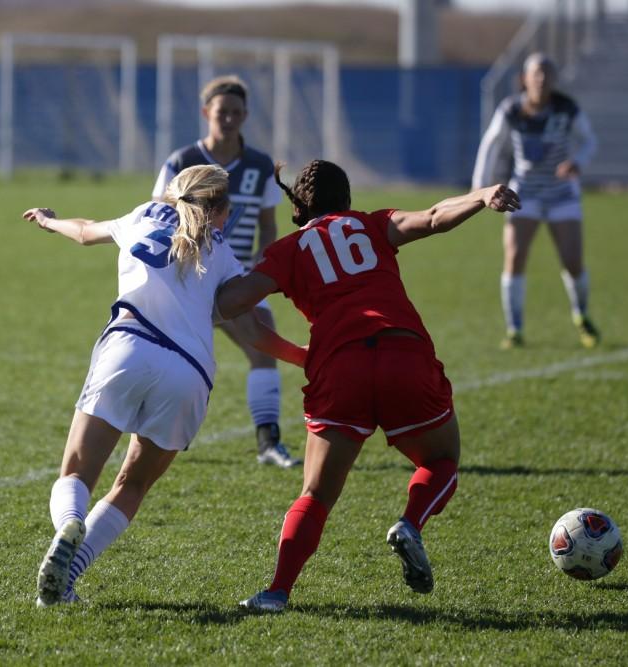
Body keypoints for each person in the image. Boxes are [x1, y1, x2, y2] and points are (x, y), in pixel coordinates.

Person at [215, 159, 520, 612]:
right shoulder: (370, 225)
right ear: (347, 200)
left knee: (316, 495)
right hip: (403, 351)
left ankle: (277, 592)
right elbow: (434, 218)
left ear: (298, 206)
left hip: (340, 367)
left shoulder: (287, 249)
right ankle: (411, 524)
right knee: (440, 459)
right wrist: (481, 195)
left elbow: (233, 302)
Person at [23, 164, 306, 608]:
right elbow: (251, 330)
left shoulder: (143, 215)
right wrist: (304, 356)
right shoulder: (223, 250)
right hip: (188, 373)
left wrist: (47, 220)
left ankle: (68, 525)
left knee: (76, 472)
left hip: (129, 348)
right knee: (132, 484)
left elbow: (82, 231)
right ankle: (69, 579)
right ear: (222, 210)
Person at [153, 74, 299, 469]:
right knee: (160, 359)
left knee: (262, 350)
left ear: (245, 115)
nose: (229, 119)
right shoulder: (181, 162)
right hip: (186, 280)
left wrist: (260, 269)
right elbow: (159, 217)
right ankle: (147, 435)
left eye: (236, 112)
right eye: (222, 112)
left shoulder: (259, 165)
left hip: (234, 280)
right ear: (206, 113)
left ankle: (268, 442)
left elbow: (268, 224)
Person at [472, 52, 600, 350]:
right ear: (524, 79)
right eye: (536, 74)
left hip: (561, 195)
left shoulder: (567, 109)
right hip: (524, 194)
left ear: (554, 80)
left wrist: (578, 162)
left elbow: (590, 140)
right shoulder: (511, 109)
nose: (541, 79)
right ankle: (514, 328)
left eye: (547, 74)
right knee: (514, 258)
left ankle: (581, 314)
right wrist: (479, 189)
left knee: (573, 263)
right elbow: (490, 144)